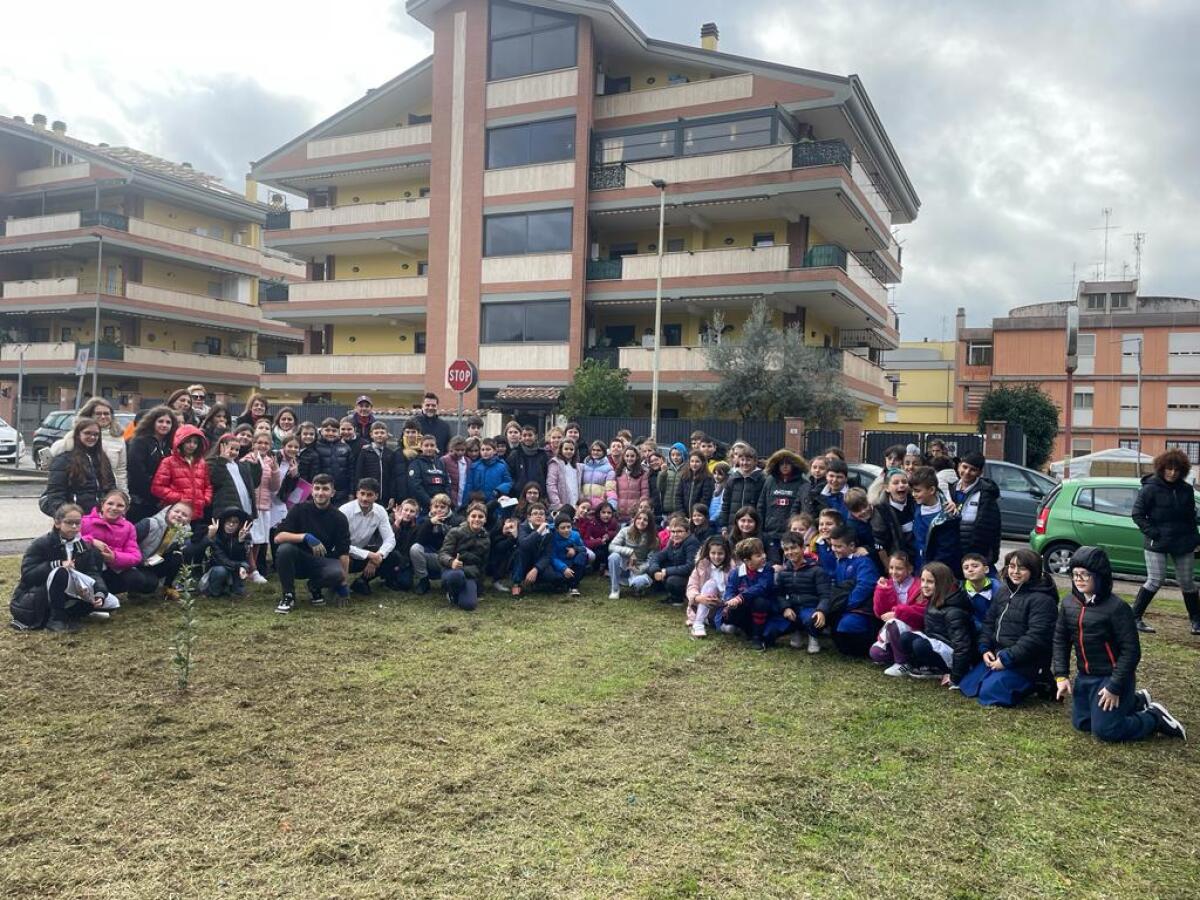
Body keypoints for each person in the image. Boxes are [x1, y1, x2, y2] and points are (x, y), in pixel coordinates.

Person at [1053, 546, 1185, 742]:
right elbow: (1060, 639)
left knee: (1106, 731)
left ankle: (1154, 717)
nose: (1079, 579)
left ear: (1100, 577)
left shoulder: (1117, 608)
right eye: (1075, 574)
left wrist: (1115, 686)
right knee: (1083, 724)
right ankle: (1136, 701)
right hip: (1086, 676)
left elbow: (1131, 651)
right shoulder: (1068, 604)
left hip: (1111, 676)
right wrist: (1061, 675)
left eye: (1085, 575)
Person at [959, 548, 1058, 707]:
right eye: (1012, 566)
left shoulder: (1043, 600)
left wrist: (1007, 659)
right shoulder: (1004, 591)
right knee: (968, 686)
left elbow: (1036, 637)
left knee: (990, 694)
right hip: (999, 654)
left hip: (1025, 660)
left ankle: (1038, 681)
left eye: (1022, 568)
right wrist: (985, 649)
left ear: (1034, 570)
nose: (1015, 572)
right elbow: (989, 622)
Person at [10, 503, 115, 632]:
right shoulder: (41, 544)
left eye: (78, 523)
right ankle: (56, 619)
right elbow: (28, 575)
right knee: (61, 572)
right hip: (37, 596)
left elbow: (92, 573)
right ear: (57, 523)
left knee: (112, 603)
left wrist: (99, 592)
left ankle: (71, 614)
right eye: (69, 522)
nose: (74, 527)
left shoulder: (83, 546)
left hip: (72, 590)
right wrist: (57, 564)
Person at [1130, 448, 1200, 634]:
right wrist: (1153, 533)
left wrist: (1196, 540)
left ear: (1182, 471)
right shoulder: (1149, 488)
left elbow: (1191, 518)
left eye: (1176, 470)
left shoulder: (1186, 490)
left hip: (1183, 542)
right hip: (1157, 542)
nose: (1172, 473)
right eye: (1169, 468)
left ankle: (1196, 620)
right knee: (1155, 580)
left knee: (1187, 582)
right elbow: (1137, 514)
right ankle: (1134, 617)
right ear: (1161, 468)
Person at [885, 561, 976, 685]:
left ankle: (941, 670)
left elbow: (963, 646)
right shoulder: (934, 599)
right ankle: (920, 666)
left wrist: (956, 676)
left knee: (919, 645)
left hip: (952, 653)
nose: (924, 585)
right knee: (906, 637)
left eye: (930, 582)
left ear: (942, 584)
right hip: (937, 643)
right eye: (922, 580)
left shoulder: (954, 611)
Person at [273, 474, 351, 612]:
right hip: (298, 560)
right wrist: (305, 537)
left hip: (321, 561)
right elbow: (278, 537)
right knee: (284, 549)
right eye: (317, 488)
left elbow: (344, 552)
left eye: (325, 489)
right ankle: (288, 595)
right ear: (312, 490)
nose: (320, 493)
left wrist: (343, 584)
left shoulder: (339, 518)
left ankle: (315, 587)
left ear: (332, 493)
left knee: (337, 573)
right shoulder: (298, 509)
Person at [812, 524, 878, 657]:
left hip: (861, 609)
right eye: (832, 545)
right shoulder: (840, 562)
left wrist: (845, 605)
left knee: (847, 626)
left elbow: (864, 587)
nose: (834, 549)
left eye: (838, 546)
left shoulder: (864, 562)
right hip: (844, 607)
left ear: (852, 546)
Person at [81, 489, 153, 596]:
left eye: (120, 506)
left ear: (125, 509)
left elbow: (135, 556)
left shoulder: (129, 527)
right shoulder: (84, 521)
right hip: (89, 569)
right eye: (110, 503)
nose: (114, 508)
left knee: (137, 579)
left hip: (113, 569)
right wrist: (91, 541)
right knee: (94, 553)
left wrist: (114, 557)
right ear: (102, 505)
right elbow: (70, 539)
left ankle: (105, 593)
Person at [41, 418, 117, 518]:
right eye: (87, 433)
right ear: (78, 435)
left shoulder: (103, 459)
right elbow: (56, 494)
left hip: (100, 517)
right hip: (74, 518)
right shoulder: (63, 460)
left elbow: (111, 488)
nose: (92, 437)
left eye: (96, 434)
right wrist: (67, 516)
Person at [47, 397, 128, 491]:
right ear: (89, 415)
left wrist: (123, 494)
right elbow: (56, 466)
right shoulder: (73, 437)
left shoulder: (117, 438)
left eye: (106, 413)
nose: (103, 417)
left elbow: (120, 471)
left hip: (107, 492)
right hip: (79, 491)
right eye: (98, 413)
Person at [149, 424, 212, 542]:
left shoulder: (202, 463)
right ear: (180, 442)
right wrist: (180, 498)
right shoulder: (169, 462)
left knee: (191, 545)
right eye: (188, 441)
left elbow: (207, 485)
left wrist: (205, 499)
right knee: (170, 545)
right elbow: (157, 487)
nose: (192, 445)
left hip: (196, 513)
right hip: (176, 514)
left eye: (195, 442)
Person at [337, 478, 398, 595]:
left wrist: (378, 556)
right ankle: (337, 584)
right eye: (362, 494)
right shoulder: (345, 510)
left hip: (362, 553)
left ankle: (362, 581)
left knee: (393, 556)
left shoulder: (380, 511)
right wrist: (370, 555)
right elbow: (339, 544)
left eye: (369, 495)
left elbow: (390, 539)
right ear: (357, 494)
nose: (365, 498)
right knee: (343, 557)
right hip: (342, 553)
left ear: (376, 496)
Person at [868, 550, 926, 668]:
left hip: (914, 629)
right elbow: (880, 613)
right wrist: (882, 591)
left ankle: (901, 663)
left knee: (893, 623)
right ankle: (910, 658)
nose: (894, 572)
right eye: (891, 568)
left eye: (899, 568)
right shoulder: (888, 583)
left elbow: (920, 612)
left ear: (909, 569)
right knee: (875, 653)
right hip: (893, 630)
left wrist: (897, 613)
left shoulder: (919, 585)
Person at [776, 532, 832, 653]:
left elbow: (825, 595)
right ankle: (795, 631)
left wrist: (821, 610)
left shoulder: (817, 570)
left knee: (811, 619)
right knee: (773, 626)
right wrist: (785, 608)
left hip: (811, 607)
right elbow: (779, 594)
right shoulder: (783, 572)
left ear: (802, 548)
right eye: (786, 549)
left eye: (793, 548)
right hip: (792, 608)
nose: (790, 552)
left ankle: (813, 636)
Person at [720, 537, 778, 650]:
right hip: (744, 610)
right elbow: (730, 590)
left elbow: (761, 587)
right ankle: (742, 628)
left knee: (760, 602)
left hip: (764, 610)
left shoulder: (767, 570)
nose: (764, 556)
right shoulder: (736, 572)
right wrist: (730, 600)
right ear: (747, 561)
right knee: (732, 609)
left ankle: (757, 637)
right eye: (758, 555)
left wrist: (740, 597)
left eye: (763, 553)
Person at [630, 514, 699, 605]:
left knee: (672, 580)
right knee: (652, 567)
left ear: (687, 532)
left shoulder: (692, 543)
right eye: (673, 531)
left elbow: (690, 567)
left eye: (679, 531)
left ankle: (678, 599)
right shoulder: (672, 541)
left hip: (689, 577)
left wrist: (666, 571)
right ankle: (659, 589)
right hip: (674, 571)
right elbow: (658, 556)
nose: (675, 534)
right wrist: (656, 570)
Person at [437, 502, 492, 610]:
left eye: (481, 517)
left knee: (469, 605)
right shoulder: (455, 532)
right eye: (473, 516)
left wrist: (479, 588)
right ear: (468, 518)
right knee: (456, 576)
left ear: (485, 519)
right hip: (452, 571)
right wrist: (451, 562)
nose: (477, 519)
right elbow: (442, 554)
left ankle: (464, 594)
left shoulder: (486, 538)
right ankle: (451, 593)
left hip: (470, 574)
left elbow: (483, 565)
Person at [126, 405, 176, 522]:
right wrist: (154, 494)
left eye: (168, 422)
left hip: (162, 501)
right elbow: (137, 471)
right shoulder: (140, 441)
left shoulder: (170, 445)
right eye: (160, 421)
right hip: (141, 500)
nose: (164, 425)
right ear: (152, 422)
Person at [133, 501, 193, 600]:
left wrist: (208, 537)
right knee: (145, 582)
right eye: (176, 511)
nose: (179, 516)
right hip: (135, 562)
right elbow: (127, 541)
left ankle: (167, 587)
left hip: (154, 563)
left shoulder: (184, 534)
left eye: (184, 515)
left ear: (189, 520)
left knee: (183, 550)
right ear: (168, 512)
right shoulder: (149, 523)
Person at [757, 449, 809, 564]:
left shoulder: (802, 483)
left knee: (790, 564)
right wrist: (761, 528)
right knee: (774, 565)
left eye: (788, 463)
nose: (785, 466)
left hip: (791, 533)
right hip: (771, 532)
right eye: (781, 464)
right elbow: (761, 505)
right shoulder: (770, 481)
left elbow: (803, 508)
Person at [242, 432, 280, 583]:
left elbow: (274, 487)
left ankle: (252, 569)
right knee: (250, 540)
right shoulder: (247, 459)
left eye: (266, 443)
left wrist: (275, 469)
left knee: (259, 540)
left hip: (265, 505)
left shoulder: (270, 461)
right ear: (253, 444)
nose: (263, 446)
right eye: (259, 443)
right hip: (251, 506)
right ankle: (253, 569)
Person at [908, 466, 961, 572]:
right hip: (917, 567)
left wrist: (932, 571)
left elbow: (946, 551)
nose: (914, 495)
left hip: (935, 571)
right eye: (913, 491)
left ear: (931, 490)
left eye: (917, 491)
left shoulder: (947, 517)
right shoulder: (914, 505)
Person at [953, 452, 1001, 568]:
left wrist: (990, 556)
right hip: (952, 549)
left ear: (980, 472)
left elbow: (992, 528)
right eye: (964, 467)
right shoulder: (951, 489)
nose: (967, 472)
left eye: (973, 469)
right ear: (959, 466)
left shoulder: (986, 493)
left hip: (974, 552)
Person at [410, 493, 461, 594]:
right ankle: (423, 580)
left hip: (450, 558)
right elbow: (419, 540)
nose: (439, 509)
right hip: (432, 557)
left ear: (448, 508)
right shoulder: (424, 520)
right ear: (431, 507)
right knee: (415, 548)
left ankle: (448, 580)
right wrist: (430, 523)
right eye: (436, 506)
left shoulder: (456, 520)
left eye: (443, 507)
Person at [686, 535, 732, 638]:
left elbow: (734, 589)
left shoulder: (732, 568)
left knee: (730, 629)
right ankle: (698, 623)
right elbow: (691, 585)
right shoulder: (701, 565)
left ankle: (714, 621)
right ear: (708, 553)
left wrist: (725, 602)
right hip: (704, 601)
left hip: (723, 605)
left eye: (720, 553)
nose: (716, 557)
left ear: (726, 554)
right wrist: (698, 597)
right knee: (711, 584)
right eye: (713, 553)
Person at [201, 507, 253, 598]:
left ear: (239, 524)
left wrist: (240, 542)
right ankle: (213, 592)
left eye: (235, 522)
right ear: (223, 522)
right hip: (215, 569)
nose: (231, 524)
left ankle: (236, 589)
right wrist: (239, 566)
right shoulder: (216, 536)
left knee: (244, 565)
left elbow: (243, 558)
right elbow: (220, 559)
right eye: (228, 521)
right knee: (221, 570)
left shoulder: (244, 535)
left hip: (231, 568)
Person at [871, 468, 916, 571]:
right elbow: (879, 545)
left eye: (904, 482)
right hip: (897, 562)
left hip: (916, 558)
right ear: (887, 488)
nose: (901, 485)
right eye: (895, 483)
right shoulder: (881, 510)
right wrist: (890, 570)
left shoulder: (914, 503)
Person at [206, 433, 260, 521]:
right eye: (231, 449)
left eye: (237, 450)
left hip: (245, 508)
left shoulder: (241, 465)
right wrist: (222, 461)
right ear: (222, 447)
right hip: (226, 510)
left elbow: (254, 483)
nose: (234, 452)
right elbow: (216, 481)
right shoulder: (214, 463)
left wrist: (255, 466)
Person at [606, 509, 656, 600]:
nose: (641, 521)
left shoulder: (653, 538)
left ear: (649, 523)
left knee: (639, 582)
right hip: (623, 565)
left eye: (645, 520)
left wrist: (639, 569)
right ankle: (615, 589)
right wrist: (630, 552)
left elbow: (652, 560)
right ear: (635, 519)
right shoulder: (625, 531)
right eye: (639, 518)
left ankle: (636, 586)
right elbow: (612, 546)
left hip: (638, 568)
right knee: (614, 556)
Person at [540, 514, 588, 596]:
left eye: (569, 527)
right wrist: (563, 568)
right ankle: (562, 584)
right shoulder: (552, 537)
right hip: (558, 565)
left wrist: (575, 549)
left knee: (582, 556)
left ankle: (574, 586)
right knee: (556, 578)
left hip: (572, 563)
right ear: (557, 529)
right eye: (563, 528)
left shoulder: (575, 535)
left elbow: (583, 548)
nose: (566, 530)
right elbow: (552, 556)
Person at [720, 447, 765, 532]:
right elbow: (726, 504)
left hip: (752, 526)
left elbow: (762, 506)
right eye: (742, 460)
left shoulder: (762, 479)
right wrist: (724, 525)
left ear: (755, 461)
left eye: (748, 460)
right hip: (733, 526)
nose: (745, 463)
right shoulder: (732, 479)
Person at [354, 422, 395, 510]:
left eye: (382, 433)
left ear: (387, 435)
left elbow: (392, 476)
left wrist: (392, 495)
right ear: (371, 435)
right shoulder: (365, 452)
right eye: (376, 433)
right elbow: (359, 473)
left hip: (384, 495)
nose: (379, 435)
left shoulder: (390, 453)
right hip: (368, 494)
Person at [464, 438, 513, 513]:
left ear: (495, 451)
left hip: (495, 503)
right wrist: (469, 498)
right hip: (478, 504)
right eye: (482, 450)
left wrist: (499, 490)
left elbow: (508, 482)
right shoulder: (475, 467)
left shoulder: (502, 466)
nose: (485, 452)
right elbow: (469, 485)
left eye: (488, 449)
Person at [407, 435, 450, 513]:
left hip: (441, 506)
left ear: (436, 446)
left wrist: (445, 500)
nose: (429, 448)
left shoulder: (440, 462)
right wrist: (430, 501)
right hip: (424, 507)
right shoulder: (416, 464)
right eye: (426, 445)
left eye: (432, 445)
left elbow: (447, 482)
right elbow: (416, 486)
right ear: (421, 447)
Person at [388, 498, 421, 591]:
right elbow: (387, 540)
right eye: (405, 510)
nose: (408, 513)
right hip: (390, 557)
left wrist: (401, 566)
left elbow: (410, 551)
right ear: (400, 510)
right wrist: (397, 523)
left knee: (405, 584)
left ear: (416, 514)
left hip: (404, 561)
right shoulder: (391, 520)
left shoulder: (416, 528)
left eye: (412, 511)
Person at [508, 424, 550, 495]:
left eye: (530, 435)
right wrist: (516, 486)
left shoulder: (542, 454)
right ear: (521, 437)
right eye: (524, 435)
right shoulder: (515, 454)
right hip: (520, 494)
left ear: (535, 436)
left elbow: (546, 474)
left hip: (538, 493)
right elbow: (510, 474)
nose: (527, 438)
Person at [578, 502, 618, 573]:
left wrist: (609, 535)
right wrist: (598, 541)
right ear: (598, 513)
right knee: (599, 552)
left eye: (609, 513)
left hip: (607, 546)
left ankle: (608, 568)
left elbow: (617, 533)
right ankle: (595, 567)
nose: (606, 515)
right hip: (595, 548)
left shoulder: (613, 522)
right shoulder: (592, 523)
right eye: (603, 512)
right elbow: (585, 541)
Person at [580, 441, 618, 512]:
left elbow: (610, 490)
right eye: (593, 450)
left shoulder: (609, 469)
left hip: (599, 507)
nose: (595, 452)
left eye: (598, 450)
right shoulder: (584, 466)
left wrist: (612, 506)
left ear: (604, 452)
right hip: (584, 507)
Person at [614, 446, 650, 522]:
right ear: (623, 457)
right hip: (619, 512)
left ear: (637, 457)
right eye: (627, 456)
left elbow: (644, 493)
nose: (629, 458)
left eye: (632, 456)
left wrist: (639, 509)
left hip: (634, 514)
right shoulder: (618, 472)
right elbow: (614, 492)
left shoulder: (642, 473)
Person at [547, 439, 581, 514]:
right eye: (566, 449)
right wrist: (557, 504)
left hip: (575, 503)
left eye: (571, 449)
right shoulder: (555, 463)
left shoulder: (577, 466)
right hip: (561, 505)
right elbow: (551, 484)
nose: (569, 451)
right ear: (561, 449)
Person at [676, 452, 714, 519]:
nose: (694, 464)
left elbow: (705, 499)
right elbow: (678, 496)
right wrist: (682, 514)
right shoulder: (684, 476)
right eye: (692, 461)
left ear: (702, 463)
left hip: (698, 517)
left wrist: (695, 515)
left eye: (697, 461)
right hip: (684, 516)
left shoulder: (708, 478)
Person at [441, 436, 470, 509]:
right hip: (450, 498)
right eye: (457, 450)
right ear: (451, 448)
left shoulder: (468, 461)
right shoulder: (444, 460)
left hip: (464, 497)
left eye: (462, 450)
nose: (460, 452)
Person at [708, 462, 730, 526]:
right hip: (711, 519)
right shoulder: (715, 486)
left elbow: (721, 506)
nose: (716, 476)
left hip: (718, 521)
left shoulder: (726, 488)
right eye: (715, 473)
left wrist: (712, 519)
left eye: (720, 474)